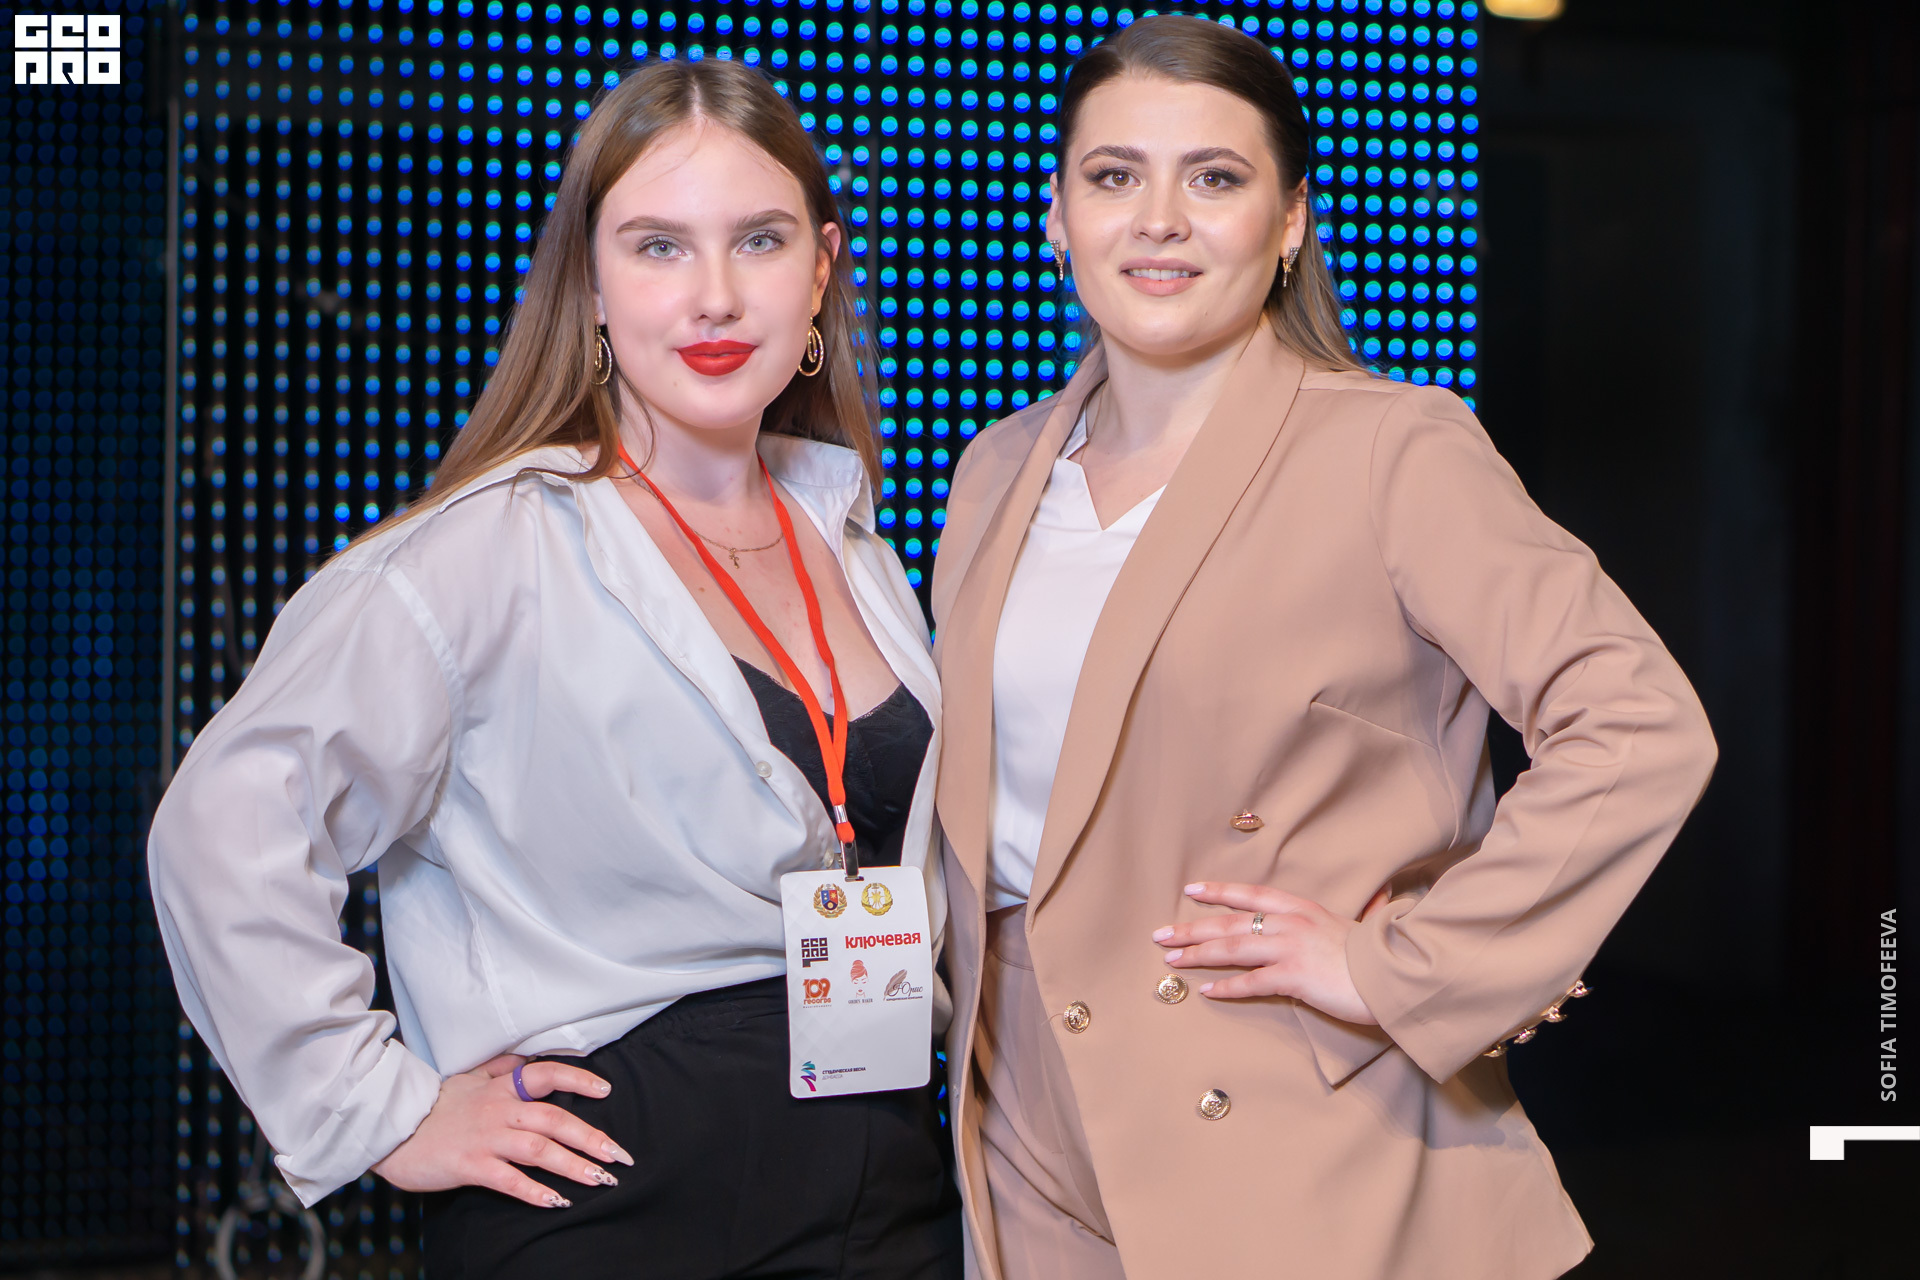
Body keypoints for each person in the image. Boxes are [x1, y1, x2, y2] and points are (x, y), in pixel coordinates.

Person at [929, 16, 1718, 1280]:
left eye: (1215, 178)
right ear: (1058, 217)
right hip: (1025, 1121)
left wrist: (1412, 962)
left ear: (1290, 221)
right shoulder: (996, 467)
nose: (1159, 220)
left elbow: (1639, 724)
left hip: (1293, 1122)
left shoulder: (1391, 448)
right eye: (1116, 175)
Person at [148, 59, 962, 1279]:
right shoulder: (487, 550)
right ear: (590, 283)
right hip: (610, 1203)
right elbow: (222, 826)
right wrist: (380, 1108)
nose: (716, 294)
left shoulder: (859, 545)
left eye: (759, 240)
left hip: (884, 1189)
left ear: (822, 271)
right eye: (658, 246)